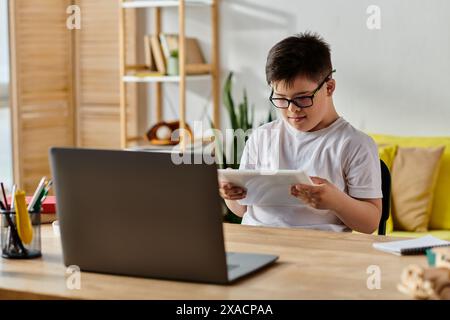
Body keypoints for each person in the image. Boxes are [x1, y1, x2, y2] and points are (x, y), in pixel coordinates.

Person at [219, 32, 382, 233]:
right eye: (281, 99)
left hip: (318, 249)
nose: (292, 109)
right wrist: (231, 195)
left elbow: (370, 223)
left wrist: (336, 201)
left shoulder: (354, 144)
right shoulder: (261, 137)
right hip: (258, 241)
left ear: (329, 87)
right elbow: (241, 210)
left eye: (302, 98)